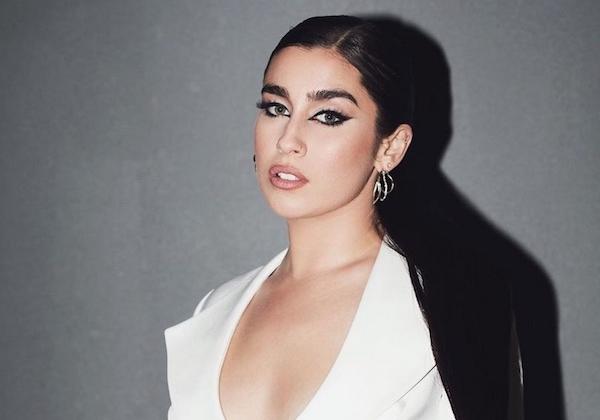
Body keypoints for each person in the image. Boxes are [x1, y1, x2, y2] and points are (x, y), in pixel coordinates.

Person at [165, 15, 519, 420]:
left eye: (328, 116)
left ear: (390, 147)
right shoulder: (215, 309)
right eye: (276, 108)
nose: (287, 140)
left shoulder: (449, 305)